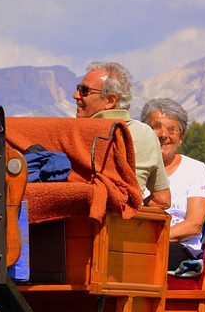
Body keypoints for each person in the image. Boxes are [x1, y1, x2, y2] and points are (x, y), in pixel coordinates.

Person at [73, 61, 171, 209]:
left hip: (82, 223)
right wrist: (132, 208)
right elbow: (162, 199)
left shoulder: (80, 132)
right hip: (127, 227)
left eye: (84, 91)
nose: (76, 96)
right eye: (78, 89)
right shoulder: (145, 133)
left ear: (110, 100)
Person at [142, 97, 205, 271]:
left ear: (181, 137)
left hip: (180, 249)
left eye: (171, 129)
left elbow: (193, 225)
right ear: (145, 133)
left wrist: (151, 239)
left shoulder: (196, 170)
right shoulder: (134, 167)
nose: (163, 135)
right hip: (137, 241)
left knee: (143, 255)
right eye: (156, 127)